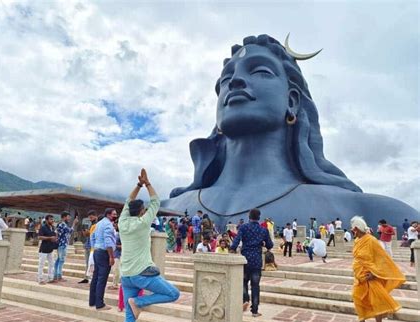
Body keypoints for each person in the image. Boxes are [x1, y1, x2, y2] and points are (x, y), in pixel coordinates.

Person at [162, 33, 419, 227]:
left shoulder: (374, 212)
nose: (236, 81)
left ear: (292, 101)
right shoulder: (166, 207)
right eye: (226, 79)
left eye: (260, 71)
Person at [119, 169, 180, 322]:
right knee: (173, 294)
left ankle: (135, 304)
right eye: (144, 210)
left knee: (130, 316)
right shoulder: (143, 223)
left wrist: (139, 184)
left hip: (126, 274)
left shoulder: (122, 222)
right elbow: (155, 202)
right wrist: (148, 183)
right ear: (141, 212)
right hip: (142, 273)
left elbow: (128, 200)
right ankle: (138, 302)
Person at [350, 216, 405, 322]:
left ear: (357, 228)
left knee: (377, 302)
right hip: (359, 277)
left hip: (371, 276)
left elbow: (383, 258)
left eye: (352, 229)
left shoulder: (371, 240)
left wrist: (374, 274)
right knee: (357, 298)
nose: (351, 231)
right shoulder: (356, 241)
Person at [230, 208, 273, 317]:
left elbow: (236, 240)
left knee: (243, 282)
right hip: (256, 261)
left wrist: (232, 248)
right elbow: (270, 245)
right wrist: (263, 243)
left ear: (249, 216)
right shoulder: (263, 230)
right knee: (255, 285)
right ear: (259, 217)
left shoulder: (243, 227)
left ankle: (245, 299)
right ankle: (254, 310)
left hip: (245, 259)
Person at [89, 208, 117, 310]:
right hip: (104, 252)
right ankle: (100, 304)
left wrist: (95, 247)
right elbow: (108, 241)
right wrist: (111, 256)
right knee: (102, 278)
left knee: (96, 277)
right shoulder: (108, 225)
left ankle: (92, 301)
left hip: (97, 251)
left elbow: (92, 237)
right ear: (108, 215)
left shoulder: (99, 223)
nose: (115, 216)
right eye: (114, 214)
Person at [78, 211, 98, 284]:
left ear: (95, 216)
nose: (90, 218)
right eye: (89, 217)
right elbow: (88, 235)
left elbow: (95, 236)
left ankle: (91, 278)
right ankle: (86, 277)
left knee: (92, 263)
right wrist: (85, 233)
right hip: (87, 245)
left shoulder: (97, 225)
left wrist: (88, 233)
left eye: (91, 217)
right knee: (87, 263)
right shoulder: (90, 224)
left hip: (93, 247)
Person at [53, 211, 74, 281]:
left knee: (58, 260)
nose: (69, 218)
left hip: (61, 244)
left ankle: (55, 274)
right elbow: (70, 231)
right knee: (61, 260)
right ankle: (59, 275)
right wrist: (74, 224)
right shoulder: (62, 224)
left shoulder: (62, 224)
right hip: (62, 244)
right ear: (64, 217)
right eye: (68, 217)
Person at [37, 215, 57, 284]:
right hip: (44, 249)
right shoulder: (43, 228)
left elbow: (54, 236)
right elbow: (39, 237)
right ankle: (40, 279)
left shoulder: (53, 228)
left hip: (50, 248)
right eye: (51, 219)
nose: (52, 221)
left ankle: (50, 278)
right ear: (46, 220)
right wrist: (49, 238)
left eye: (53, 219)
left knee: (51, 264)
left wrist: (55, 238)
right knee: (41, 264)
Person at [109, 219, 122, 290]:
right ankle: (114, 283)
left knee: (116, 270)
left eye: (117, 223)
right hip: (114, 254)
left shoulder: (121, 235)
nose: (115, 225)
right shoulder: (116, 234)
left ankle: (115, 284)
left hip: (118, 255)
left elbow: (124, 246)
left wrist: (115, 245)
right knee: (114, 270)